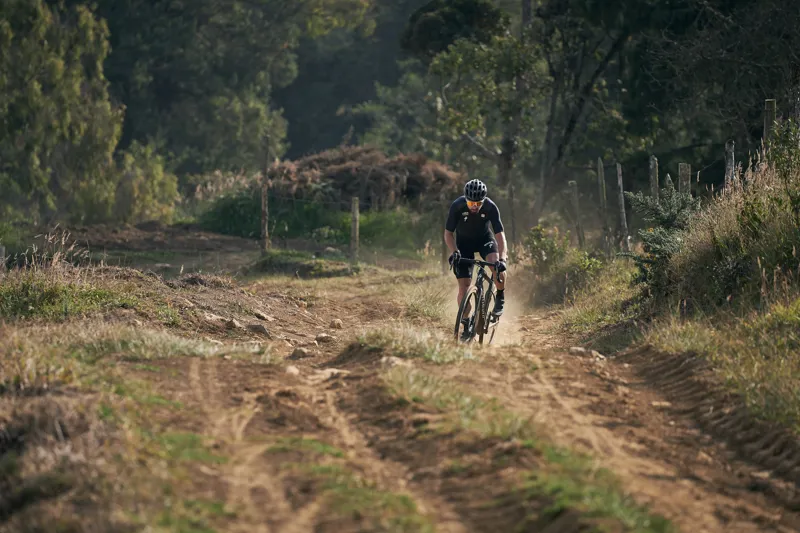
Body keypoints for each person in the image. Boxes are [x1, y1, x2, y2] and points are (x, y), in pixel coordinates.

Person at [444, 178, 508, 335]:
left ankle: (500, 295)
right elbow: (448, 234)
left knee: (495, 266)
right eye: (471, 203)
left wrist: (503, 258)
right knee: (463, 288)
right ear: (465, 199)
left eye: (478, 204)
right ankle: (466, 323)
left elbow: (500, 235)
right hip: (464, 245)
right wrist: (454, 251)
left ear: (483, 200)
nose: (474, 207)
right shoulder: (457, 206)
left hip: (485, 240)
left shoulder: (491, 207)